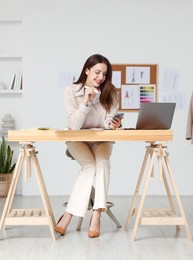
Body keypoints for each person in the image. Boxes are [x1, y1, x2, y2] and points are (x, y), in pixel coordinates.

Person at [54, 54, 122, 238]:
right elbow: (73, 126)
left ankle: (96, 215)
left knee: (102, 164)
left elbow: (108, 122)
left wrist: (114, 124)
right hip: (77, 140)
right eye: (97, 72)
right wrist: (85, 102)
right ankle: (69, 215)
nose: (100, 77)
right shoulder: (71, 91)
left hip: (101, 141)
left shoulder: (111, 93)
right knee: (89, 165)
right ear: (86, 70)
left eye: (104, 74)